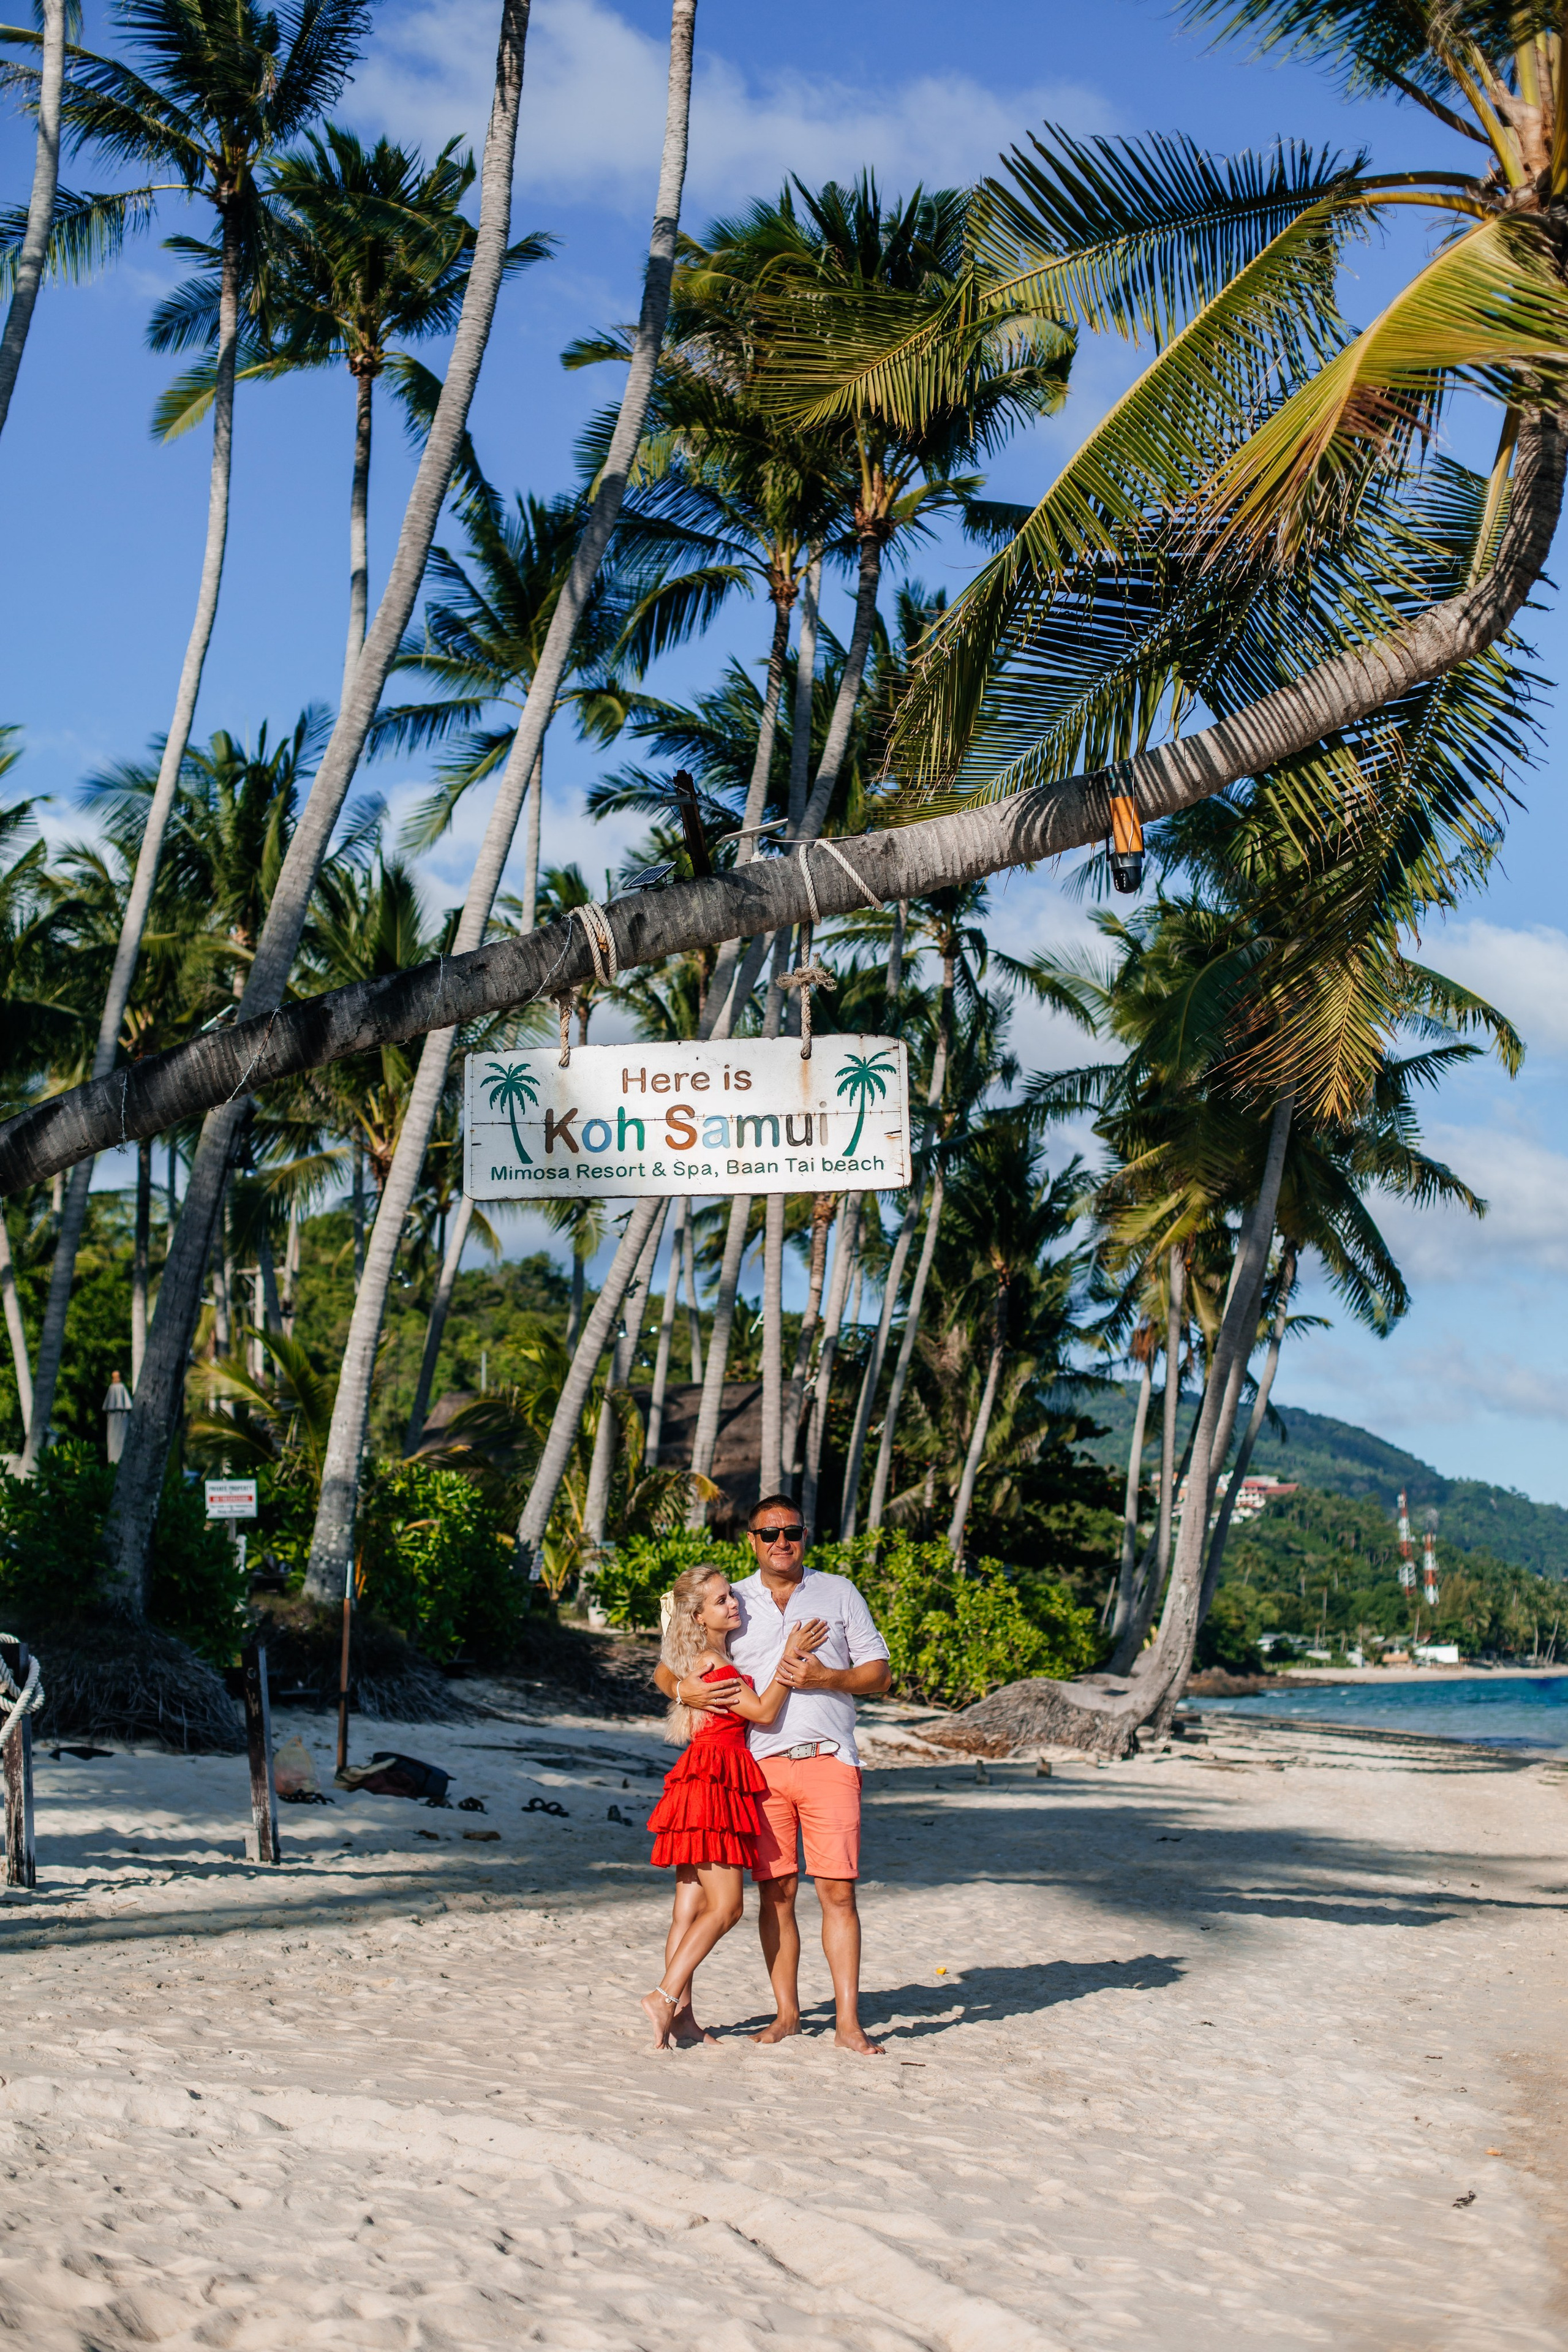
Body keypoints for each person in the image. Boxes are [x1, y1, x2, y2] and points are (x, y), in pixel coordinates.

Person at [655, 1494, 891, 2056]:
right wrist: (683, 1690)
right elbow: (669, 1660)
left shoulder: (840, 1592)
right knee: (776, 1895)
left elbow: (880, 1675)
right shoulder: (733, 1598)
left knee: (838, 1894)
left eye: (792, 1532)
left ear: (805, 1535)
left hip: (830, 1759)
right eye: (769, 1533)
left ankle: (848, 2024)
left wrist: (827, 1678)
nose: (781, 1542)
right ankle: (787, 2016)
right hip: (757, 1771)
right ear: (752, 1541)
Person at [641, 1562, 812, 2050]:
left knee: (689, 1909)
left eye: (731, 1595)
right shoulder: (714, 1664)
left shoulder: (703, 1656)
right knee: (727, 1907)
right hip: (715, 1783)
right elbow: (764, 1712)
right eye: (721, 1601)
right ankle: (663, 1997)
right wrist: (791, 1658)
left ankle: (682, 2021)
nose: (733, 1603)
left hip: (701, 1777)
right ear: (698, 1616)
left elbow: (663, 1669)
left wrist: (678, 1686)